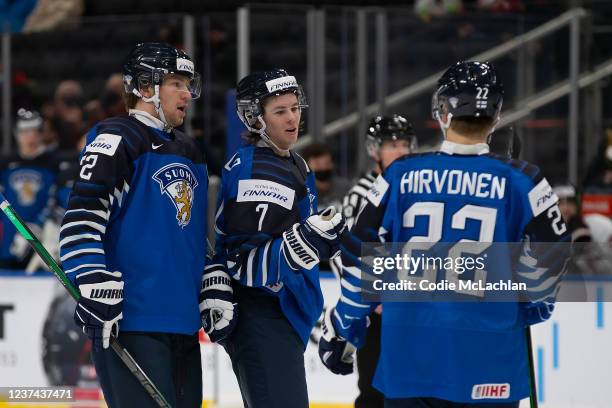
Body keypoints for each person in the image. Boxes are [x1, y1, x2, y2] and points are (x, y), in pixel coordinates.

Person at [319, 61, 570, 407]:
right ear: (496, 116)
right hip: (490, 360)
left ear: (441, 111)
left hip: (410, 358)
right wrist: (526, 309)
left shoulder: (399, 175)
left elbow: (365, 259)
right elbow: (551, 261)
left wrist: (344, 325)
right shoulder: (524, 180)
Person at [59, 42, 207, 407]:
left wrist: (212, 276)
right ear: (145, 88)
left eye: (188, 83)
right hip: (132, 321)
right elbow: (82, 218)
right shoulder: (116, 137)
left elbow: (190, 234)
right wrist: (90, 278)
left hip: (184, 324)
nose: (187, 93)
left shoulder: (191, 151)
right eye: (176, 82)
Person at [203, 68, 344, 408]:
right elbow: (243, 265)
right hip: (263, 313)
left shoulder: (292, 162)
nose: (293, 118)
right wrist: (306, 241)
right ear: (255, 118)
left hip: (280, 315)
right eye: (280, 111)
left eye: (295, 107)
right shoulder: (257, 171)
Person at [343, 114, 417, 408]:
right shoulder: (361, 194)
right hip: (376, 313)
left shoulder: (416, 188)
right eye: (392, 145)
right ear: (375, 150)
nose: (400, 151)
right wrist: (372, 298)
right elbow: (346, 252)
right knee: (374, 391)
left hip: (412, 308)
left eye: (404, 144)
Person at [0, 108, 59, 269]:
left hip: (43, 238)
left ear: (41, 133)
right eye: (25, 131)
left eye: (35, 131)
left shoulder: (53, 163)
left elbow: (56, 199)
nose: (30, 136)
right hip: (9, 239)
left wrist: (39, 225)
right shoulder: (5, 164)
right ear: (16, 133)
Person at [301, 141, 351, 212]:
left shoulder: (345, 188)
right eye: (317, 165)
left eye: (326, 163)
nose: (323, 168)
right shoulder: (302, 196)